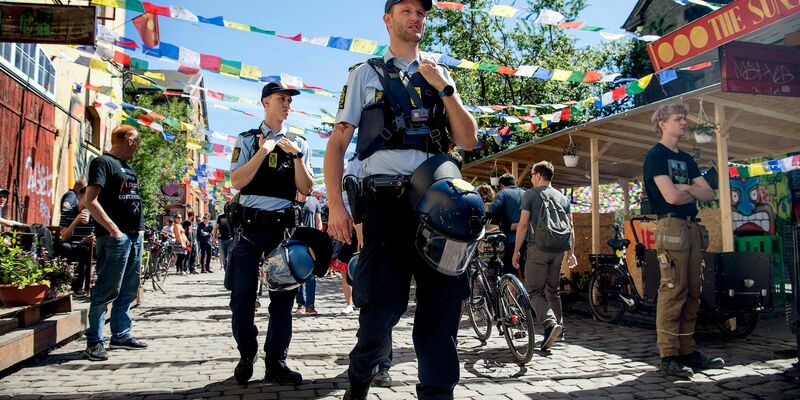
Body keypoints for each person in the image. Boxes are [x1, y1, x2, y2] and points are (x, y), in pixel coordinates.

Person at [324, 0, 478, 397]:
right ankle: (360, 378)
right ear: (388, 19)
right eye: (407, 10)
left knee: (442, 307)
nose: (416, 17)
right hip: (386, 203)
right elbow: (338, 143)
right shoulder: (365, 73)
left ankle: (437, 392)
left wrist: (447, 89)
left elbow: (468, 139)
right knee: (382, 307)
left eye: (422, 12)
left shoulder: (441, 74)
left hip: (437, 203)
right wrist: (336, 205)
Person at [228, 81, 313, 386]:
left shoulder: (298, 142)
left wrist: (297, 157)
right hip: (250, 229)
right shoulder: (248, 140)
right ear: (266, 102)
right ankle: (246, 354)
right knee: (242, 298)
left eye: (289, 100)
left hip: (282, 230)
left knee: (283, 300)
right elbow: (237, 181)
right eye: (281, 98)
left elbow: (305, 188)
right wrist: (263, 151)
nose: (287, 104)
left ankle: (276, 361)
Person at [643, 103, 723, 378]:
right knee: (673, 290)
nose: (684, 123)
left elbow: (709, 194)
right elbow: (671, 198)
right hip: (671, 227)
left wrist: (687, 186)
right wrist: (692, 190)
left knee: (693, 292)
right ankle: (668, 355)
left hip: (692, 228)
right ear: (662, 123)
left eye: (684, 119)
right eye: (678, 118)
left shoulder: (687, 159)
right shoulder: (656, 155)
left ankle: (687, 350)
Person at [81, 124, 147, 361]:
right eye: (137, 143)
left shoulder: (128, 168)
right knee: (106, 289)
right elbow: (90, 200)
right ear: (129, 139)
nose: (137, 148)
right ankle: (95, 341)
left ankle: (121, 333)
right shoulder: (102, 163)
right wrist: (112, 229)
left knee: (129, 289)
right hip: (114, 237)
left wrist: (138, 232)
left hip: (133, 236)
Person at [512, 161, 577, 351]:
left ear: (539, 175)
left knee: (534, 292)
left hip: (537, 249)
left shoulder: (530, 195)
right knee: (553, 291)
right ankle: (560, 330)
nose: (531, 178)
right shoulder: (563, 198)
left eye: (532, 174)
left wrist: (516, 250)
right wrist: (571, 253)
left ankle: (550, 325)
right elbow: (571, 228)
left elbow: (523, 225)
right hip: (558, 250)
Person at [57, 186, 95, 296]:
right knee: (63, 247)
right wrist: (75, 221)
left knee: (84, 249)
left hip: (88, 246)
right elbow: (63, 237)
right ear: (79, 197)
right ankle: (62, 283)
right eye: (86, 198)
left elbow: (100, 233)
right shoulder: (68, 212)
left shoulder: (95, 213)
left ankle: (78, 287)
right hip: (71, 245)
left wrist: (94, 238)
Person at [490, 173, 526, 277]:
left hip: (510, 240)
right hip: (526, 239)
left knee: (510, 274)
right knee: (525, 273)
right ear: (514, 183)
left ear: (501, 185)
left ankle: (512, 293)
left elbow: (494, 209)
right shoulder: (526, 193)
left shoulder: (502, 194)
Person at [295, 191, 322, 315]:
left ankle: (310, 305)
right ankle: (300, 304)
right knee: (297, 273)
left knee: (311, 275)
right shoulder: (291, 200)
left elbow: (318, 222)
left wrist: (318, 239)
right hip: (295, 241)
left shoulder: (314, 201)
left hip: (311, 242)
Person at [212, 206, 234, 271]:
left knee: (228, 257)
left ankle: (229, 273)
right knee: (224, 259)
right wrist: (213, 239)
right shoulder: (220, 217)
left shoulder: (232, 217)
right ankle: (226, 273)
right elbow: (216, 228)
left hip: (230, 239)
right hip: (221, 240)